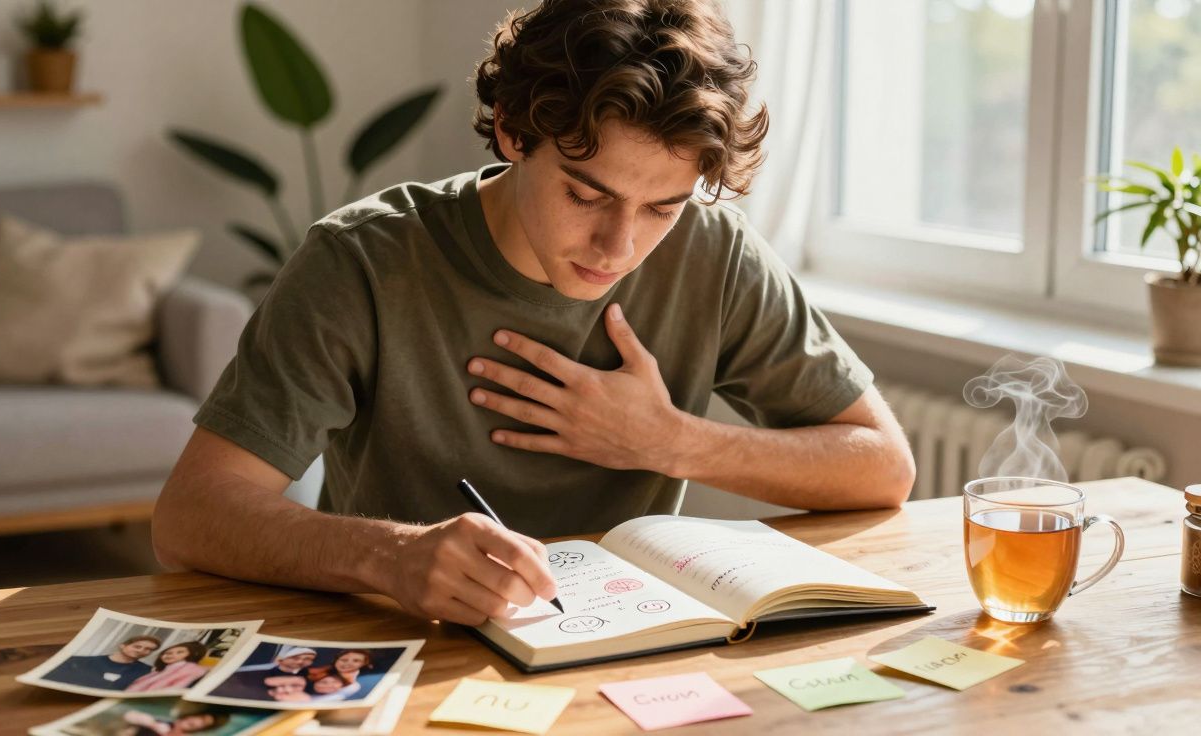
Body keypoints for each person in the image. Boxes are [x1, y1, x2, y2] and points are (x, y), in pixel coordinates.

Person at [153, 0, 915, 628]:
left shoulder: (715, 252)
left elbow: (882, 467)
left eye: (662, 207)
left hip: (624, 641)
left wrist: (669, 440)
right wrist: (392, 557)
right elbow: (190, 516)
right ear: (515, 131)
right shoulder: (361, 261)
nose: (619, 246)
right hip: (408, 642)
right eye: (587, 195)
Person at [44, 635, 159, 691]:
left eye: (148, 649)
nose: (141, 650)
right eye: (137, 646)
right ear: (122, 645)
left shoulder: (147, 671)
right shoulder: (80, 661)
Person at [209, 647, 317, 701]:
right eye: (295, 657)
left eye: (307, 659)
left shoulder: (307, 676)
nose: (300, 662)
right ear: (280, 660)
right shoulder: (258, 672)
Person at [125, 641, 209, 693]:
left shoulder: (191, 668)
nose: (171, 655)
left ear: (192, 654)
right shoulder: (157, 672)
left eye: (180, 652)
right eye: (168, 653)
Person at [305, 649, 381, 702]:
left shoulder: (363, 683)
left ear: (364, 664)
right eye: (344, 660)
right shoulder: (318, 673)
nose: (348, 663)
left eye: (356, 661)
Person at [119, 708, 230, 735]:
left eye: (204, 723)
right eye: (200, 717)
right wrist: (152, 724)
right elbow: (129, 715)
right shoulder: (163, 723)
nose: (197, 722)